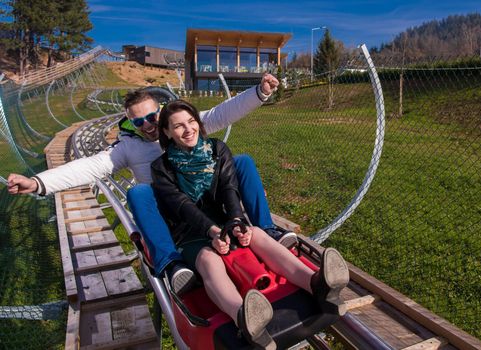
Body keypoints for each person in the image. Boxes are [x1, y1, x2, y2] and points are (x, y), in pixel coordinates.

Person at [6, 74, 297, 293]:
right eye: (138, 121)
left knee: (243, 160)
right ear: (130, 124)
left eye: (152, 116)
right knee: (140, 192)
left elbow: (221, 113)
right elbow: (91, 167)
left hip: (205, 201)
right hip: (173, 211)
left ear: (161, 112)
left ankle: (266, 227)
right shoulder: (129, 148)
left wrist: (259, 92)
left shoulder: (179, 127)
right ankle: (171, 262)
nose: (147, 125)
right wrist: (38, 182)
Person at [151, 100, 349, 349]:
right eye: (178, 126)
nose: (188, 129)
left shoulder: (217, 149)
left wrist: (236, 222)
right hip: (190, 234)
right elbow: (182, 206)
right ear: (167, 132)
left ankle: (316, 283)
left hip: (224, 223)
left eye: (191, 122)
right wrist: (212, 232)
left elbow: (229, 187)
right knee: (209, 260)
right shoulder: (161, 168)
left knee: (256, 234)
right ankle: (242, 316)